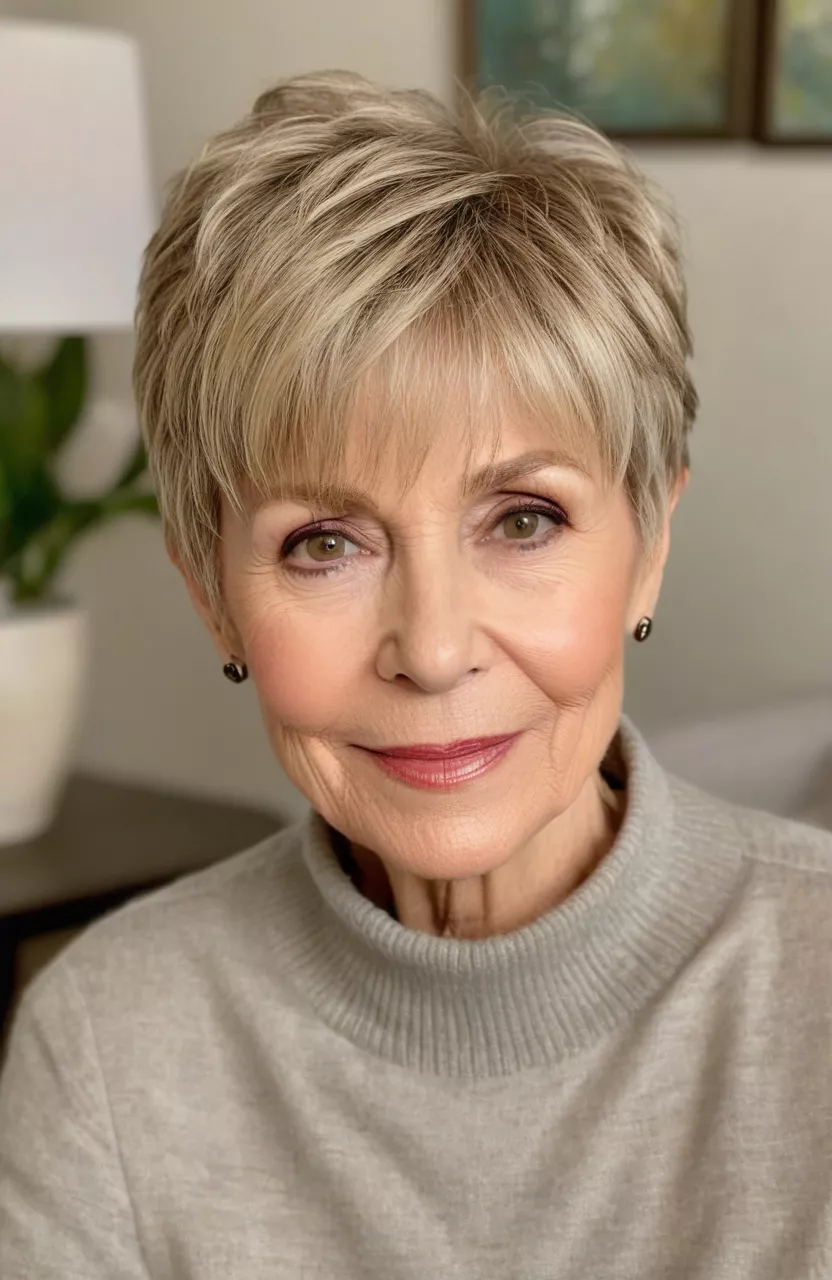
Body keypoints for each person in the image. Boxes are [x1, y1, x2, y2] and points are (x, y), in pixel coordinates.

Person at [2, 69, 831, 1280]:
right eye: (323, 543)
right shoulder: (109, 1043)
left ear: (647, 546)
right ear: (211, 591)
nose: (434, 649)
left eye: (523, 519)